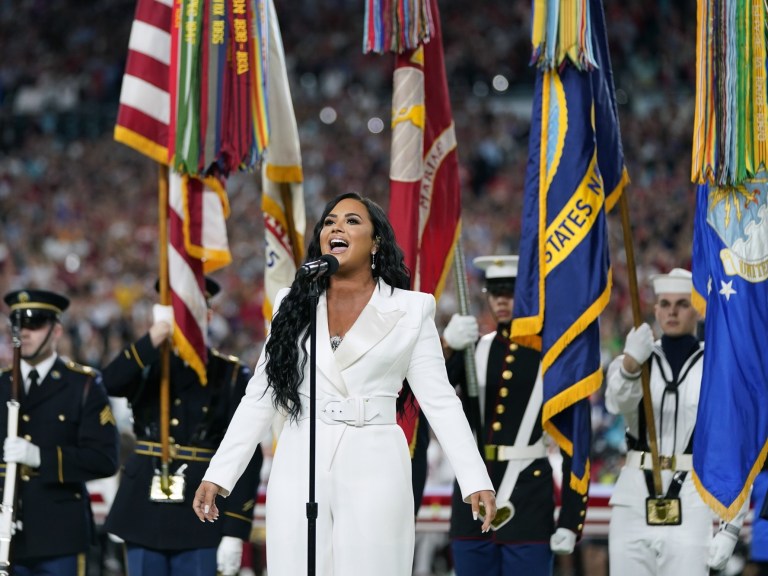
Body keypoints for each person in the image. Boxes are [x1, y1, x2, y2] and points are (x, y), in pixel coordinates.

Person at [192, 192, 496, 576]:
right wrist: (219, 474)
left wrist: (474, 478)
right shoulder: (293, 302)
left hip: (376, 461)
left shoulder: (411, 308)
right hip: (300, 459)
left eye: (352, 221)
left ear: (376, 242)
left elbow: (440, 401)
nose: (337, 227)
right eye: (330, 221)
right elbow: (260, 396)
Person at [101, 277, 263, 576]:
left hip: (200, 510)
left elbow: (247, 453)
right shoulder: (148, 363)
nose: (183, 319)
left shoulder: (229, 374)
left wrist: (234, 530)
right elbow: (109, 383)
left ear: (208, 316)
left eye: (191, 310)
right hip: (144, 507)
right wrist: (153, 338)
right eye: (176, 310)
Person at [442, 255, 586, 575]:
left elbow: (575, 440)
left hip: (528, 501)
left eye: (509, 292)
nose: (501, 300)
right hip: (472, 497)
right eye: (495, 293)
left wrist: (571, 519)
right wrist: (447, 347)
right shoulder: (473, 349)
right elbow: (430, 393)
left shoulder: (551, 355)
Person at [605, 267, 747, 575]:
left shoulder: (718, 366)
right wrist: (630, 365)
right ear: (655, 309)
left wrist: (731, 527)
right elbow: (617, 404)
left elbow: (735, 448)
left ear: (698, 309)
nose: (672, 312)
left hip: (693, 496)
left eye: (682, 304)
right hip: (634, 497)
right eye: (665, 304)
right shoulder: (636, 359)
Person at [0, 289, 120, 575]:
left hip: (59, 534)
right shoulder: (3, 384)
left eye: (35, 324)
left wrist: (41, 458)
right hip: (6, 531)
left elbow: (104, 459)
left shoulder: (83, 385)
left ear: (56, 330)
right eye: (18, 325)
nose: (24, 333)